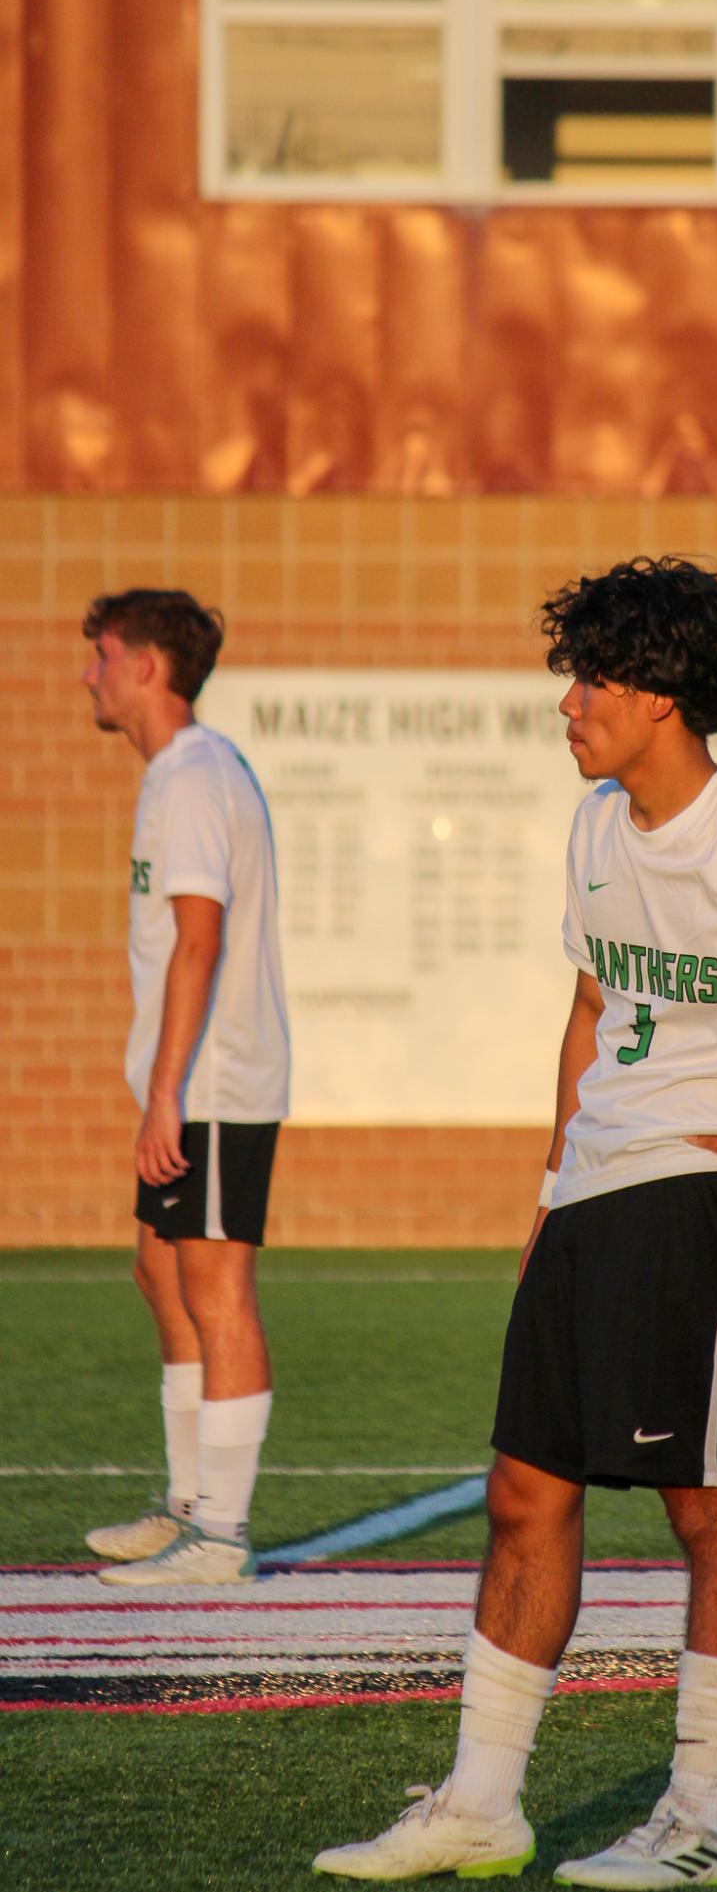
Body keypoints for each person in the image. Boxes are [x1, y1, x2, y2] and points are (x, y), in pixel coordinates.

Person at [314, 556, 717, 1887]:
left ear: (657, 694)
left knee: (705, 1507)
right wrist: (545, 1188)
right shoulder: (594, 823)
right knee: (525, 1492)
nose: (567, 700)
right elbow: (591, 1010)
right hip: (589, 1197)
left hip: (693, 1210)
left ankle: (694, 1824)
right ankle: (480, 1805)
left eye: (591, 676)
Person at [79, 588, 290, 1587]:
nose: (90, 673)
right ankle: (185, 1509)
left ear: (147, 668)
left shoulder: (194, 778)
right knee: (159, 1274)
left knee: (214, 1287)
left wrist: (165, 1093)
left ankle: (222, 1534)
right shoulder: (177, 775)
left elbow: (198, 939)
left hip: (213, 1081)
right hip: (186, 1079)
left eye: (103, 655)